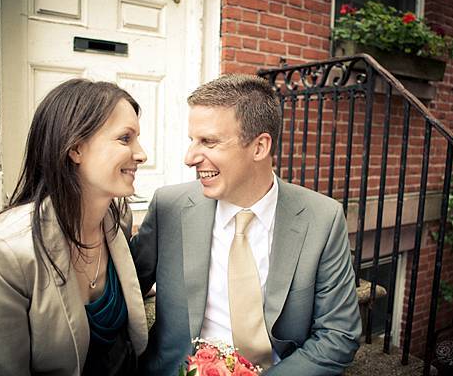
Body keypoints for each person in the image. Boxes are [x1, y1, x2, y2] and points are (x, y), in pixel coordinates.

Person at [131, 74, 362, 375]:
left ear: (259, 147)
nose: (189, 158)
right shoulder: (169, 207)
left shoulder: (323, 218)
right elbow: (126, 291)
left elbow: (339, 334)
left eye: (209, 142)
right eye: (192, 140)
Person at [0, 79, 149, 375]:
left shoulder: (117, 221)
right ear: (75, 148)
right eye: (125, 139)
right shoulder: (2, 253)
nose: (142, 154)